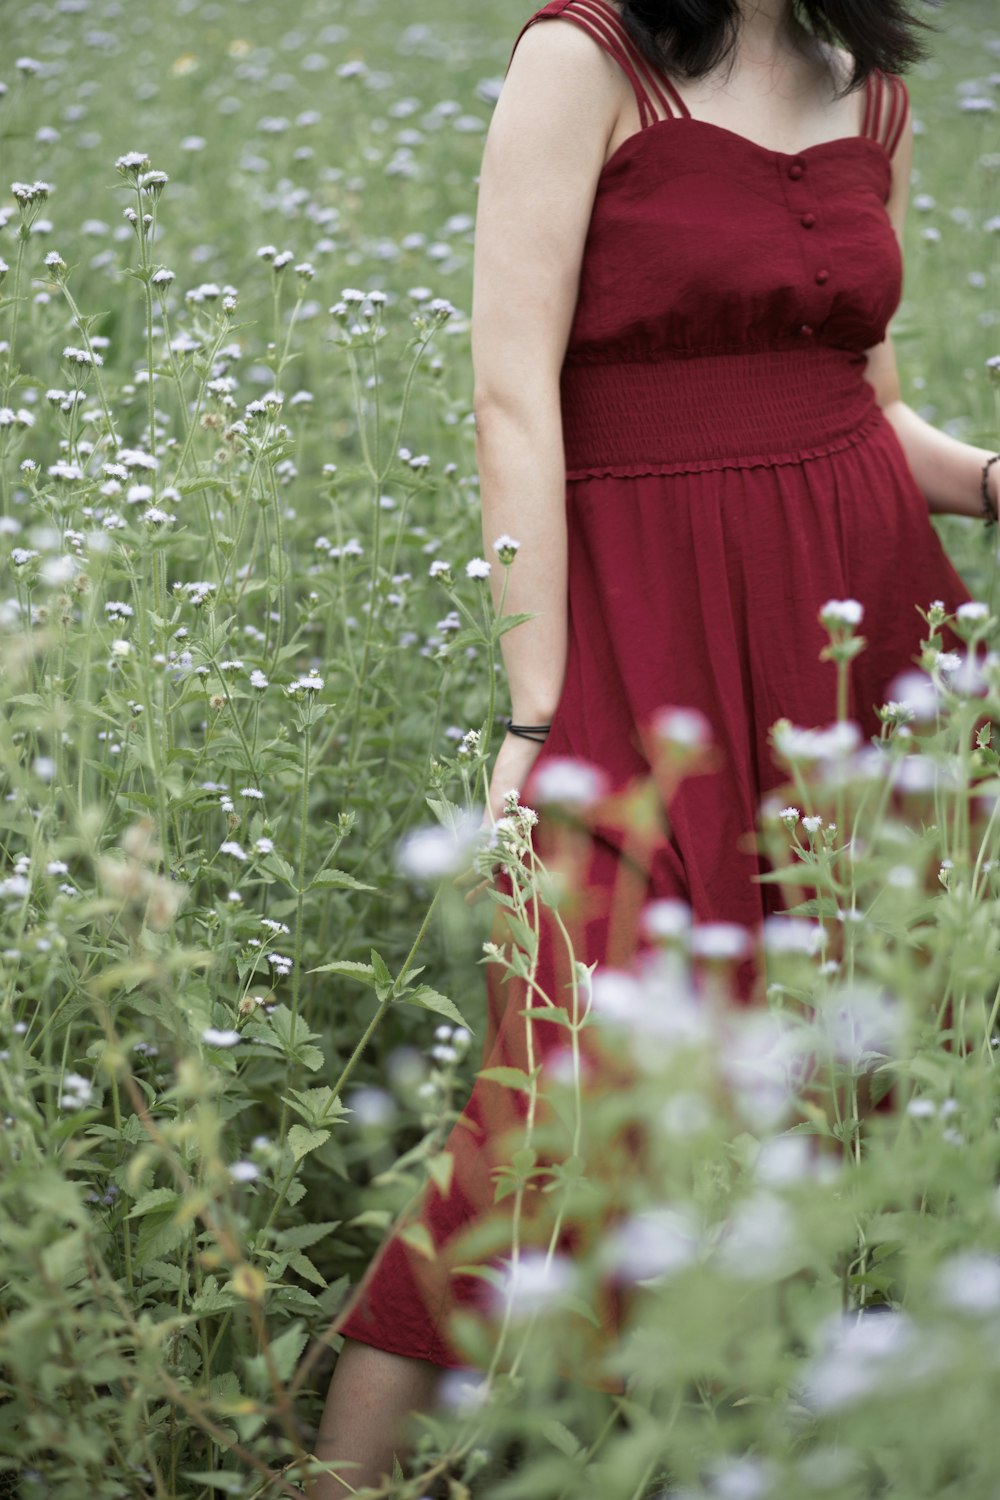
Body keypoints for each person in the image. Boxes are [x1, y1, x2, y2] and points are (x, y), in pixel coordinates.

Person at [308, 1, 1000, 1493]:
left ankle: (754, 1432)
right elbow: (512, 397)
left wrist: (992, 479)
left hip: (855, 646)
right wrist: (535, 710)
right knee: (558, 1094)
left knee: (862, 1070)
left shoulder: (869, 86)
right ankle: (344, 1485)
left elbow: (868, 408)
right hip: (640, 650)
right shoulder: (585, 58)